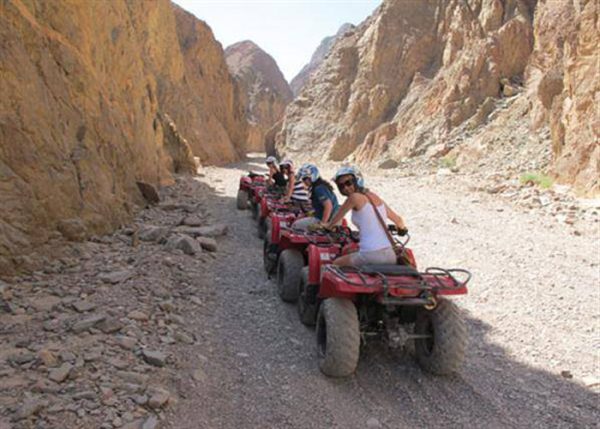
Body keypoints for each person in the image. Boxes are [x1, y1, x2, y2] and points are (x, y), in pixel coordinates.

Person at [323, 166, 408, 266]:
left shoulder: (353, 198)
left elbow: (334, 222)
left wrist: (326, 226)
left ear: (357, 180)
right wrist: (401, 230)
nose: (345, 188)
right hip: (390, 256)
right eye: (341, 186)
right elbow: (399, 220)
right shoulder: (375, 197)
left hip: (370, 255)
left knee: (335, 264)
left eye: (348, 183)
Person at [292, 164, 339, 230]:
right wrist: (309, 214)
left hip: (326, 220)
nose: (304, 181)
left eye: (305, 179)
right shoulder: (321, 186)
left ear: (312, 177)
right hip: (330, 218)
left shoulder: (318, 189)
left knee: (295, 225)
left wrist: (323, 224)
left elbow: (328, 206)